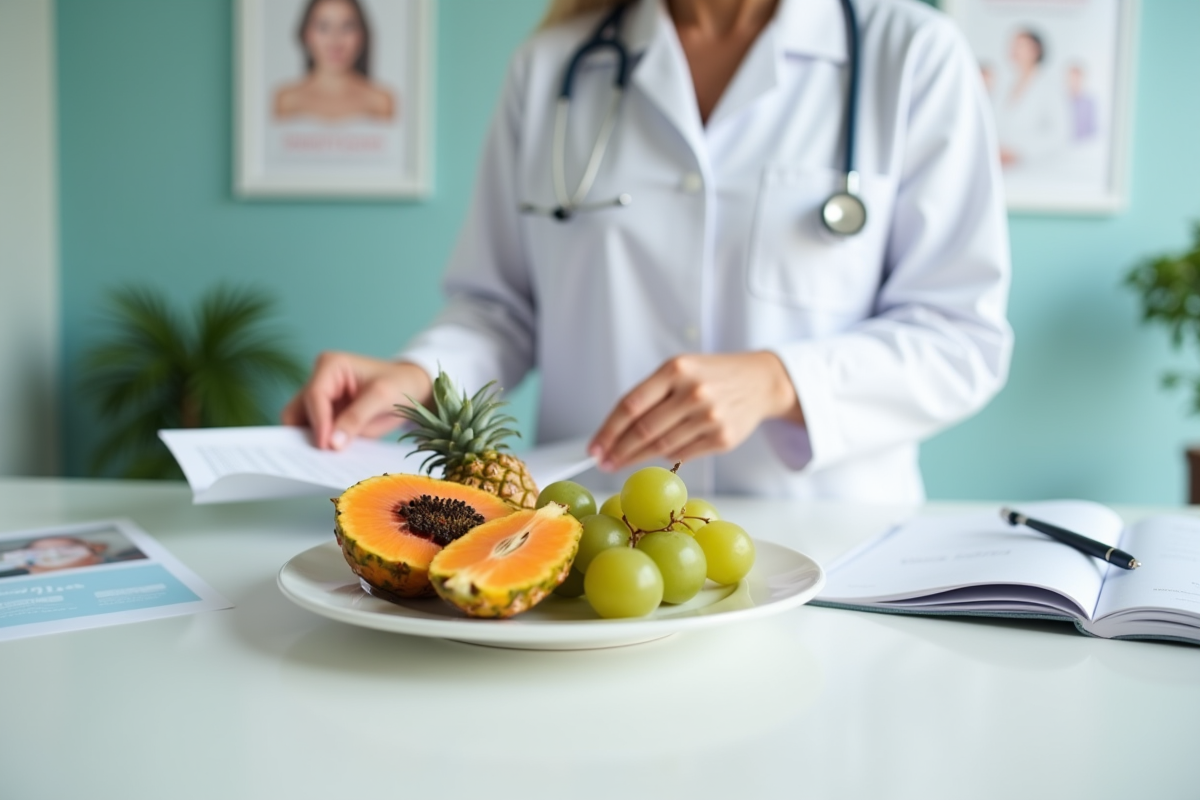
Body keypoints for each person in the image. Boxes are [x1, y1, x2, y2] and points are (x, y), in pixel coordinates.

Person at [283, 0, 1013, 502]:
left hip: (825, 542)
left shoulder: (912, 54)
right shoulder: (552, 68)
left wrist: (780, 381)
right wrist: (422, 375)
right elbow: (499, 308)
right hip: (596, 536)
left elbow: (960, 338)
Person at [273, 0, 395, 122]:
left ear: (361, 35)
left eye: (347, 27)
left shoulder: (381, 101)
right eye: (323, 27)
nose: (335, 41)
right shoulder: (287, 100)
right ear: (306, 35)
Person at [994, 27, 1068, 171]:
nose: (1014, 50)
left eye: (1020, 45)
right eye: (1013, 45)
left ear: (1036, 50)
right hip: (1002, 167)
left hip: (1034, 168)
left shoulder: (1049, 87)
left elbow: (1059, 134)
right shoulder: (1005, 85)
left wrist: (1017, 152)